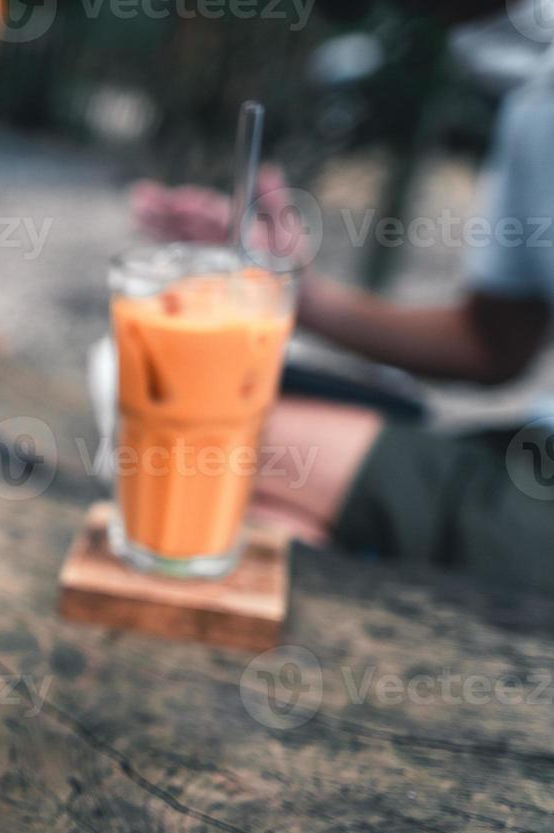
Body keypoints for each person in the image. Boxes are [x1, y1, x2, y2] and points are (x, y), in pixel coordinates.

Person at [131, 51, 554, 589]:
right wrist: (301, 297)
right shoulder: (536, 105)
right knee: (215, 477)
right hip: (526, 445)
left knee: (208, 459)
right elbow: (493, 344)